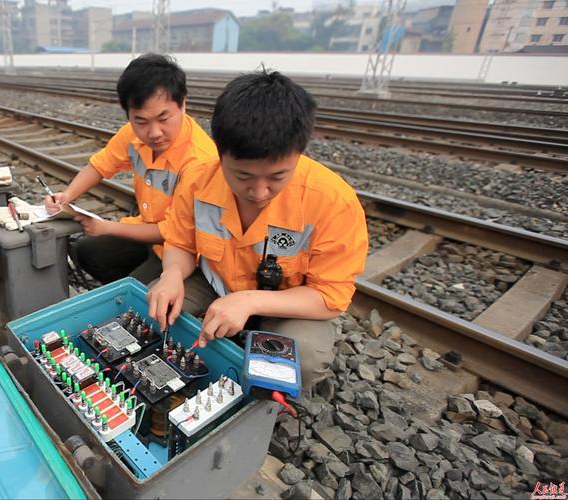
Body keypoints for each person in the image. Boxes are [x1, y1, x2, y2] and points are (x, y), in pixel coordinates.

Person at [147, 70, 368, 389]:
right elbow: (180, 243)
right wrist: (170, 276)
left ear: (298, 154)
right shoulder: (198, 179)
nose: (259, 191)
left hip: (287, 301)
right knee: (155, 309)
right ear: (220, 154)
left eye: (277, 177)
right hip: (215, 281)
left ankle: (267, 398)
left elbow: (330, 295)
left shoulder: (334, 202)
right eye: (243, 176)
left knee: (303, 358)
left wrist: (250, 301)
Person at [44, 54, 217, 285]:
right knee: (85, 251)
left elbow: (172, 231)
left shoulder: (200, 160)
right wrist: (67, 196)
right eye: (141, 121)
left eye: (163, 118)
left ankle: (136, 292)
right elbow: (100, 164)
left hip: (181, 252)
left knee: (129, 299)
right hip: (146, 231)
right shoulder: (132, 133)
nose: (154, 132)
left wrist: (106, 227)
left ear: (183, 104)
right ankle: (129, 285)